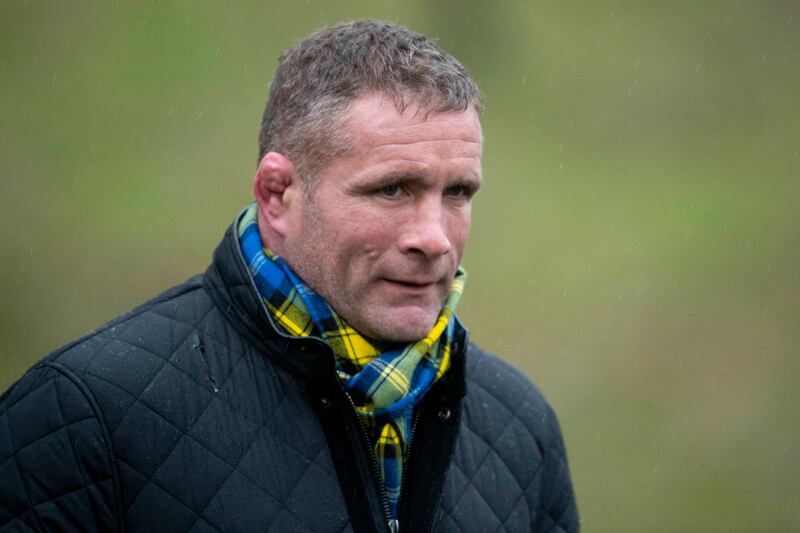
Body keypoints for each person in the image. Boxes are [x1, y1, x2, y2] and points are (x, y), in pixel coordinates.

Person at [0, 20, 578, 532]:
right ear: (278, 195)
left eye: (457, 192)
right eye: (391, 188)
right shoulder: (83, 418)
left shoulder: (520, 428)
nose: (434, 237)